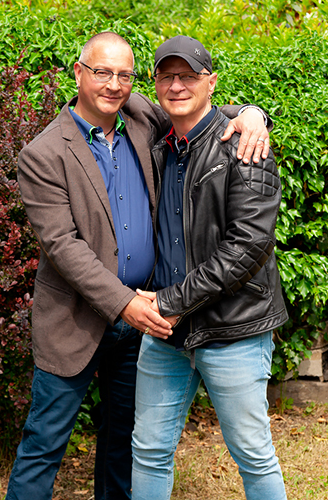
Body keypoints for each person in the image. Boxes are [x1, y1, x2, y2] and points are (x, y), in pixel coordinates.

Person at [5, 32, 273, 500]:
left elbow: (198, 110)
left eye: (124, 75)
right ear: (78, 72)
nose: (113, 84)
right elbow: (63, 246)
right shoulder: (43, 154)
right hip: (77, 319)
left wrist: (252, 115)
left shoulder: (141, 117)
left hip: (146, 321)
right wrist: (125, 303)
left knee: (125, 447)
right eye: (102, 72)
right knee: (43, 444)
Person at [132, 35, 288, 500]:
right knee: (148, 451)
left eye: (189, 75)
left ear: (211, 82)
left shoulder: (243, 146)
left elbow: (249, 245)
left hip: (232, 330)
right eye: (167, 75)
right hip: (166, 334)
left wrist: (171, 302)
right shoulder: (161, 147)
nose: (177, 85)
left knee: (253, 455)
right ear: (156, 83)